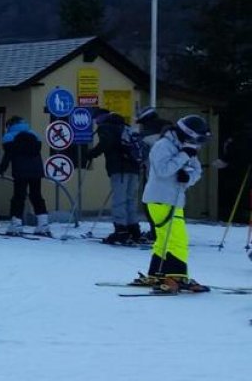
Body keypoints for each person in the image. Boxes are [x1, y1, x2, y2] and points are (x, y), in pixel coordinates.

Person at [134, 115, 211, 293]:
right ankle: (176, 276)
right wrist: (184, 156)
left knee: (164, 239)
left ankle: (157, 273)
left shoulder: (186, 147)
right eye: (196, 139)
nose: (197, 144)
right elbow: (162, 170)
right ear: (187, 133)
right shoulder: (163, 146)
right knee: (178, 239)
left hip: (174, 199)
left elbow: (196, 171)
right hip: (160, 199)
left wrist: (188, 177)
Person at [84, 110, 144, 245]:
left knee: (119, 200)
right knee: (130, 200)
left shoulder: (106, 127)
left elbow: (105, 144)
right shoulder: (126, 127)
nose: (96, 122)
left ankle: (121, 230)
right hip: (134, 168)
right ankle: (134, 229)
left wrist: (91, 154)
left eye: (96, 119)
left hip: (119, 168)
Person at [0, 115, 50, 236]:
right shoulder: (34, 135)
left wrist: (1, 169)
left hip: (20, 171)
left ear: (10, 125)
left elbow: (8, 155)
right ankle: (43, 225)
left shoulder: (9, 137)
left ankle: (16, 225)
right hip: (36, 170)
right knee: (36, 195)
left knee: (18, 197)